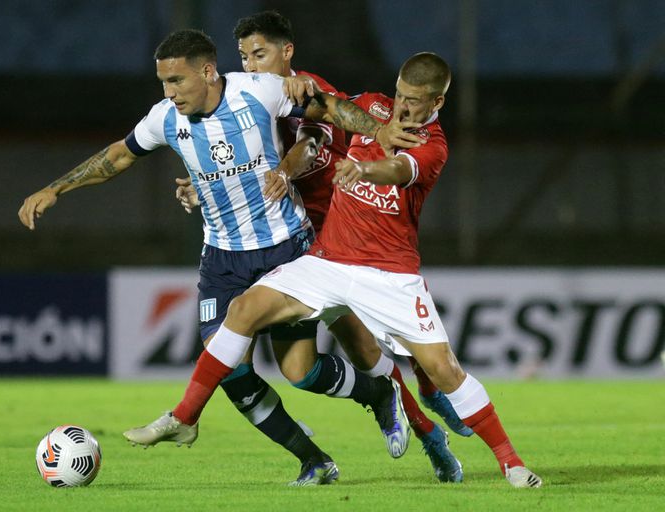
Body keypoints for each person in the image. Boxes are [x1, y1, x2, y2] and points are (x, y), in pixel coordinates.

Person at [18, 29, 418, 486]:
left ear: (207, 72)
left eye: (177, 81)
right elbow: (118, 155)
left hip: (283, 249)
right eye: (163, 83)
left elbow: (326, 107)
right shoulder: (165, 118)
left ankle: (378, 393)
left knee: (300, 372)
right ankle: (314, 461)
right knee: (227, 368)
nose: (169, 93)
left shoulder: (256, 92)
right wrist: (56, 188)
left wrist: (379, 129)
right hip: (222, 260)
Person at [134, 52, 543, 489]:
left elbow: (397, 169)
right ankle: (185, 416)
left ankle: (510, 462)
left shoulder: (433, 145)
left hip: (389, 274)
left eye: (415, 102)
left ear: (437, 102)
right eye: (400, 94)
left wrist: (363, 167)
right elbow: (323, 105)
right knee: (243, 311)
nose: (404, 107)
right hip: (327, 260)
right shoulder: (372, 108)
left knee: (444, 370)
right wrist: (294, 81)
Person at [175, 10, 467, 482]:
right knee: (329, 358)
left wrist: (287, 169)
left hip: (342, 232)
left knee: (388, 348)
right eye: (245, 56)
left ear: (286, 52)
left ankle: (430, 416)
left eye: (261, 54)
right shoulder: (240, 98)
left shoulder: (307, 90)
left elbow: (311, 141)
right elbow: (230, 165)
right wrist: (198, 187)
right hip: (291, 243)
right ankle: (413, 432)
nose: (251, 65)